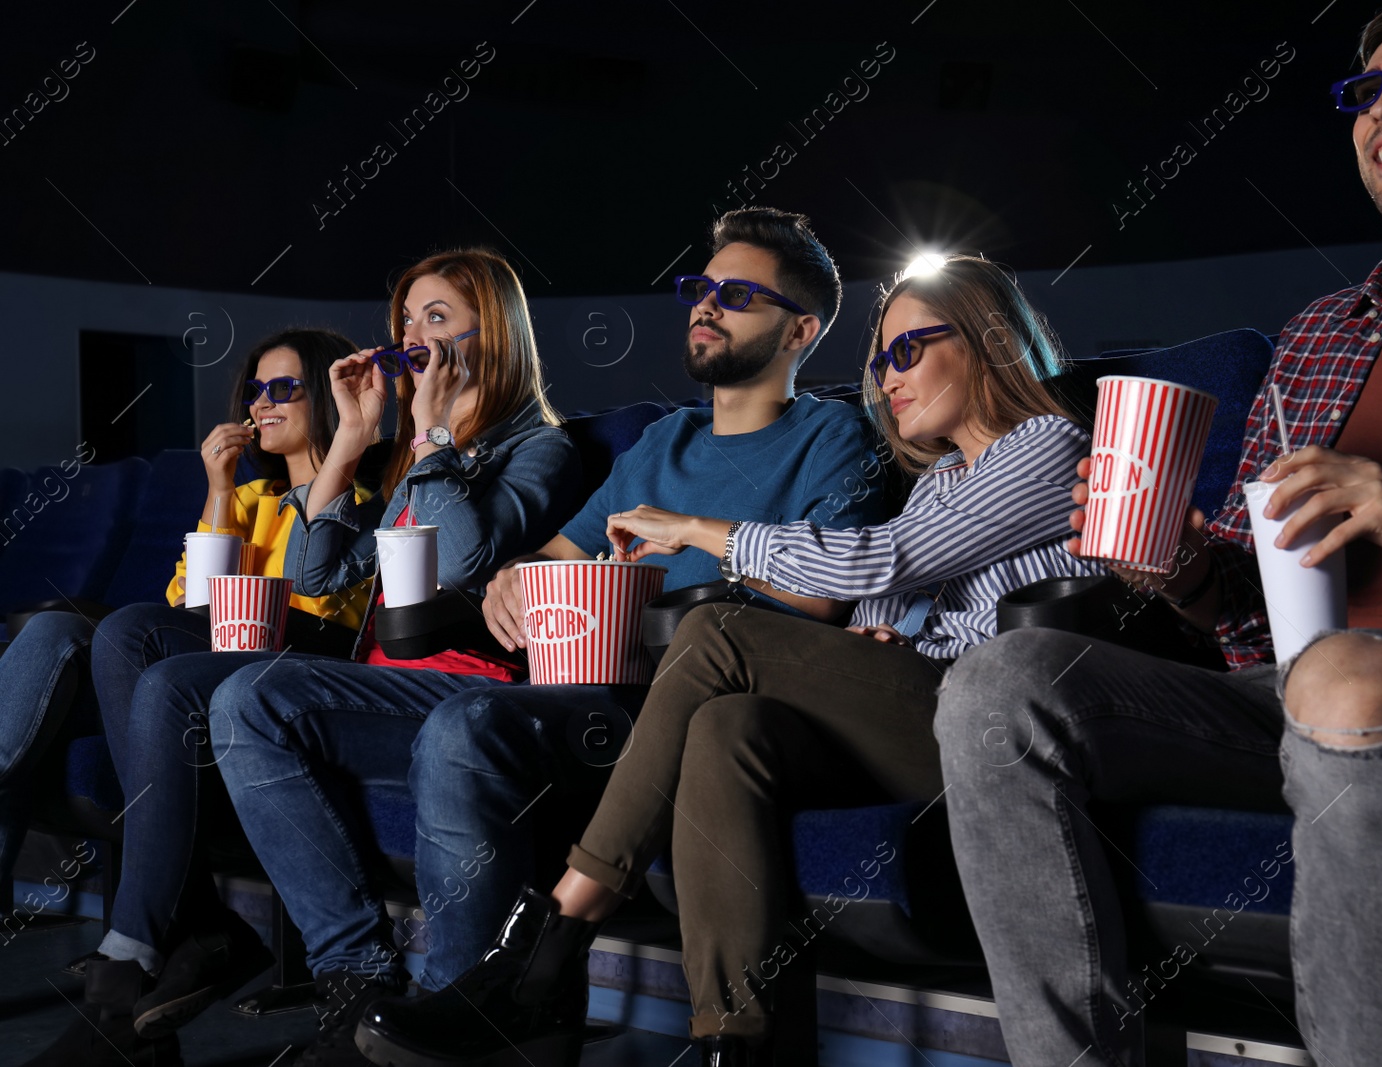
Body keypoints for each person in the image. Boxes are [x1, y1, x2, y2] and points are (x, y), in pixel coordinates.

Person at [932, 2, 1382, 1064]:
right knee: (996, 682)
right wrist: (1188, 570)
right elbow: (1253, 615)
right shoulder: (1316, 340)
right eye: (1363, 90)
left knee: (1346, 674)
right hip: (1291, 700)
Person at [353, 253, 1106, 1067]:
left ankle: (552, 940)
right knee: (725, 725)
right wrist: (877, 641)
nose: (887, 376)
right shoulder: (938, 483)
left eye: (909, 349)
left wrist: (702, 532)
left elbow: (880, 561)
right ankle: (735, 1044)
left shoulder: (1045, 443)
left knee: (715, 631)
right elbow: (881, 606)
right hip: (918, 704)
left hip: (994, 729)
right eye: (880, 357)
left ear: (988, 341)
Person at [216, 206, 888, 1066]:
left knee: (464, 724)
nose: (707, 306)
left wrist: (691, 532)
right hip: (580, 691)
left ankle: (469, 1007)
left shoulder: (835, 437)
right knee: (258, 695)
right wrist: (510, 575)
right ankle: (382, 988)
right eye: (702, 288)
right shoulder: (662, 439)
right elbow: (551, 558)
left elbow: (825, 592)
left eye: (739, 294)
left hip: (688, 710)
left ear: (802, 328)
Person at [27, 249, 583, 1067]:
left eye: (436, 318)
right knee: (150, 644)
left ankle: (273, 959)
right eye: (406, 321)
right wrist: (354, 440)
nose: (412, 335)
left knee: (227, 689)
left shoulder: (538, 448)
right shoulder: (404, 458)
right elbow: (316, 570)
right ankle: (315, 966)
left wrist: (427, 438)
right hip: (383, 678)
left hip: (475, 690)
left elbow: (460, 562)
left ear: (491, 335)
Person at [14, 328, 376, 1064]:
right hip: (202, 675)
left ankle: (138, 961)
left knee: (132, 638)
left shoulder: (360, 500)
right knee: (121, 632)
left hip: (288, 670)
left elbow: (331, 606)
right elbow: (194, 605)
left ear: (330, 398)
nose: (262, 403)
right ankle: (175, 939)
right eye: (254, 390)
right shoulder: (243, 496)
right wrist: (218, 490)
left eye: (284, 389)